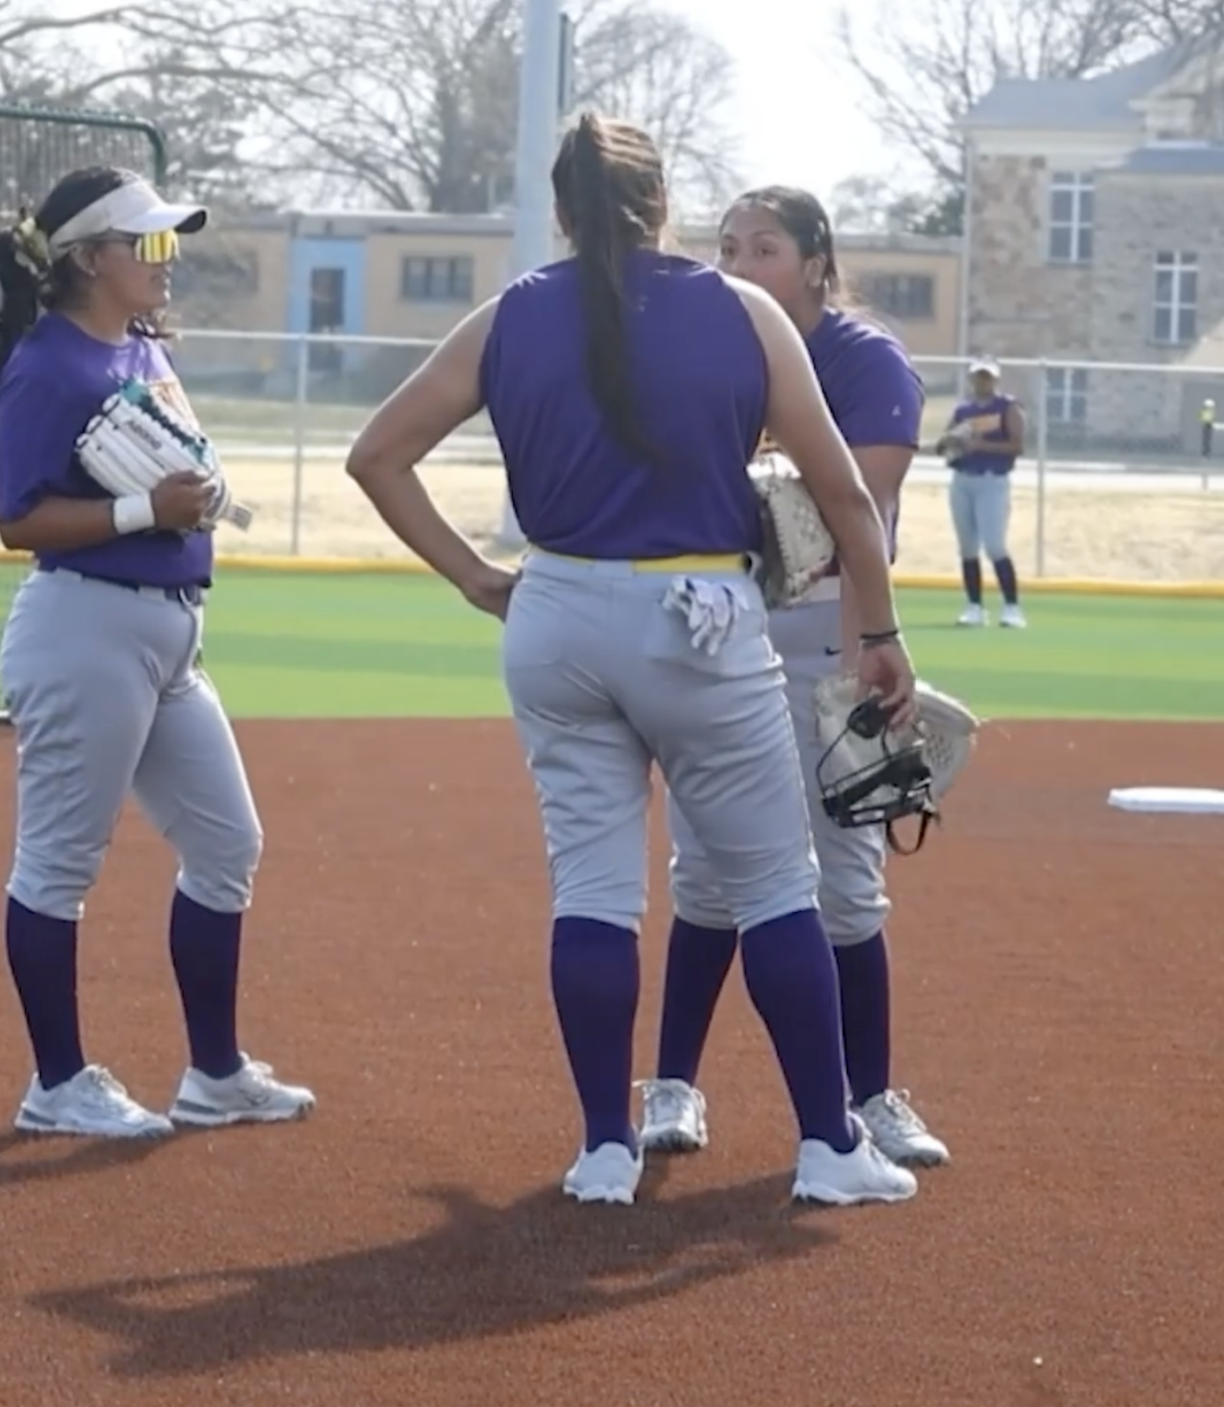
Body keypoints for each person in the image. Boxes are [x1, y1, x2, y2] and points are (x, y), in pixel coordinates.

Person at [344, 113, 921, 1208]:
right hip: (695, 608)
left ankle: (605, 1146)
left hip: (554, 604)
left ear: (561, 212)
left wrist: (478, 580)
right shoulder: (742, 311)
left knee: (594, 892)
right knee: (773, 885)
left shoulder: (509, 315)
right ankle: (826, 1144)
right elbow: (845, 498)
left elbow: (376, 455)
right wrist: (880, 632)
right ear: (663, 205)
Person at [0, 165, 315, 1140]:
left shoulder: (135, 348)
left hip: (169, 632)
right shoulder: (47, 365)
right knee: (57, 865)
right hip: (83, 628)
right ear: (91, 258)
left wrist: (197, 493)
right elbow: (18, 519)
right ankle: (56, 1084)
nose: (169, 260)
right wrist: (143, 507)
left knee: (227, 844)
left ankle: (213, 1074)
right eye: (150, 243)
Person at [643, 185, 952, 1173]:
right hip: (718, 637)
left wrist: (870, 646)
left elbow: (842, 507)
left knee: (848, 889)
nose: (738, 263)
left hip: (837, 643)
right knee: (706, 876)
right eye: (726, 246)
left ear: (819, 262)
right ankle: (673, 1086)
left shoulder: (862, 359)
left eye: (765, 247)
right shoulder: (704, 351)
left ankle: (872, 1099)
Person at [943, 359, 1028, 628]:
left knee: (994, 545)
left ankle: (1011, 607)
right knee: (967, 547)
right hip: (963, 479)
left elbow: (1017, 445)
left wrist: (982, 444)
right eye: (978, 377)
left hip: (992, 480)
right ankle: (974, 606)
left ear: (995, 380)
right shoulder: (963, 410)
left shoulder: (1007, 408)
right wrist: (952, 444)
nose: (982, 382)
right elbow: (946, 442)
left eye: (987, 377)